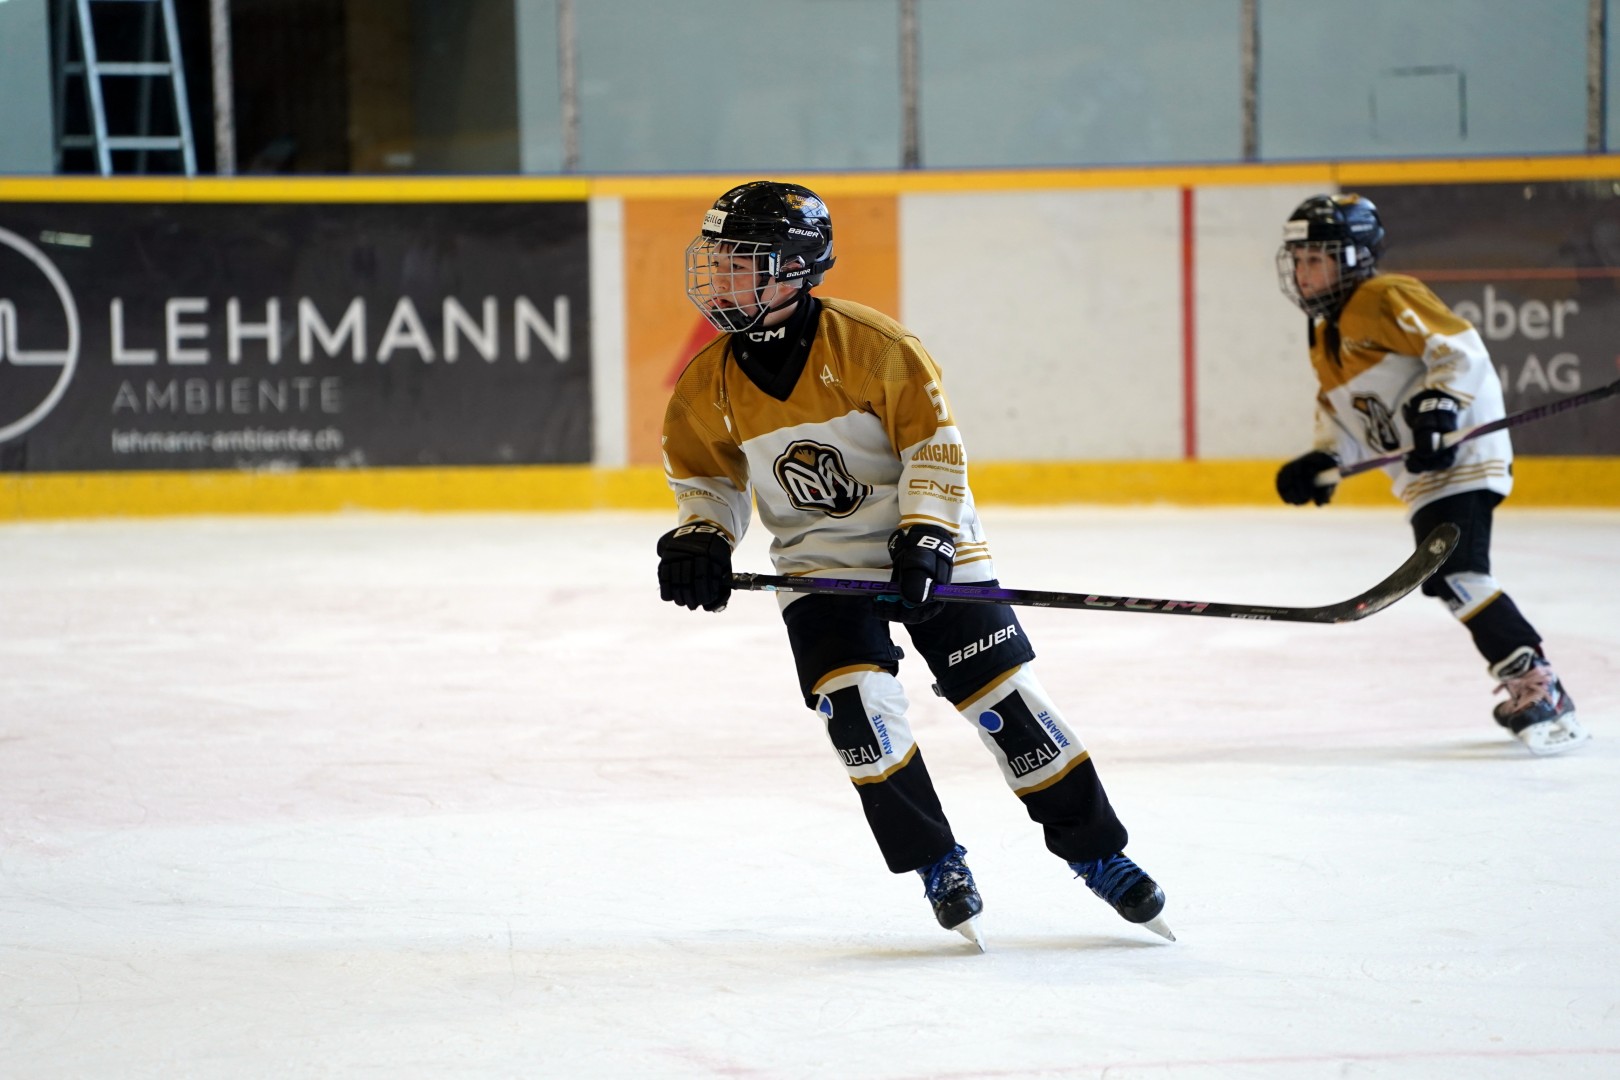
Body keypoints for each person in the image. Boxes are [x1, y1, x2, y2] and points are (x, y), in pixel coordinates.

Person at [654, 180, 1172, 948]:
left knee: (1008, 706)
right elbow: (707, 484)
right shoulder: (706, 385)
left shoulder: (875, 346)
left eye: (741, 262)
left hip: (931, 545)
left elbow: (934, 447)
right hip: (819, 568)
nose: (720, 278)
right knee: (858, 715)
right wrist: (702, 536)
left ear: (794, 269)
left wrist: (927, 536)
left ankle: (1099, 853)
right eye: (718, 260)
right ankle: (937, 863)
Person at [1273, 193, 1587, 756]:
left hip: (1464, 456)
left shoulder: (1384, 295)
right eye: (1297, 260)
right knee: (1449, 578)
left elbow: (1459, 350)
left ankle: (1541, 686)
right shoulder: (1323, 334)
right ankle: (1529, 680)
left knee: (1459, 572)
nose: (1303, 272)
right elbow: (1344, 413)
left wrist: (1439, 408)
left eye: (1316, 258)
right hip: (1422, 477)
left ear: (1353, 257)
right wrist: (1325, 458)